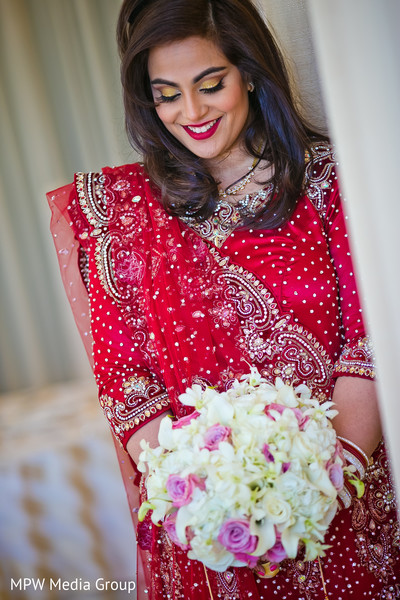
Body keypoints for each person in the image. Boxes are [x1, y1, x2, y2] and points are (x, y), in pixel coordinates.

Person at [47, 0, 400, 598]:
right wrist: (212, 501)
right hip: (212, 533)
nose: (191, 112)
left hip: (345, 500)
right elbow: (129, 386)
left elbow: (371, 340)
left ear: (251, 73)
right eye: (167, 94)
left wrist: (317, 483)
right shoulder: (119, 215)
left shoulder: (329, 184)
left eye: (211, 85)